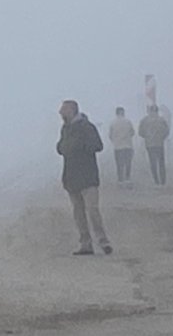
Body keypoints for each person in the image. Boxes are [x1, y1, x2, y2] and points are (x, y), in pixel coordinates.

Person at [56, 100, 113, 255]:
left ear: (72, 110)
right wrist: (62, 147)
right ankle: (85, 244)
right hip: (72, 177)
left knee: (93, 210)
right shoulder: (65, 129)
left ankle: (103, 242)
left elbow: (98, 146)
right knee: (78, 213)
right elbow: (61, 147)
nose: (60, 113)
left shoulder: (87, 127)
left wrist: (78, 147)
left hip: (88, 177)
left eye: (63, 110)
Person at [139, 105, 170, 185]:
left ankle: (156, 180)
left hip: (149, 144)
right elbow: (166, 131)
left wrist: (147, 137)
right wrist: (161, 137)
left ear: (149, 111)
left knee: (153, 163)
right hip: (159, 143)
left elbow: (140, 132)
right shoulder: (161, 120)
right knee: (161, 163)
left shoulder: (144, 120)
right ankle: (163, 181)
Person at [108, 107, 135, 184]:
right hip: (128, 146)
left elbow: (110, 135)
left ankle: (120, 180)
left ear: (116, 113)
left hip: (118, 147)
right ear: (123, 112)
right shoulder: (128, 122)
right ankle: (127, 179)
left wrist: (115, 140)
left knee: (119, 164)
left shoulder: (113, 123)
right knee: (128, 163)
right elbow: (132, 132)